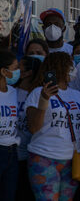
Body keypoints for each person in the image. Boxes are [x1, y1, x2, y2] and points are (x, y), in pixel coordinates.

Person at [25, 52, 80, 200]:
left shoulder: (77, 95)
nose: (73, 68)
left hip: (72, 160)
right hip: (44, 158)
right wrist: (44, 99)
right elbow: (33, 128)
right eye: (70, 65)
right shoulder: (37, 93)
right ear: (59, 67)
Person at [16, 56, 41, 201]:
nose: (15, 70)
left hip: (29, 156)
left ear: (28, 73)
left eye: (19, 67)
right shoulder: (11, 91)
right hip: (11, 153)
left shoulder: (37, 95)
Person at [0, 49, 20, 201]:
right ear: (4, 71)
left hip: (12, 151)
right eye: (15, 68)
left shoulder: (14, 91)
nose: (18, 71)